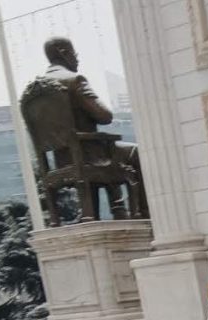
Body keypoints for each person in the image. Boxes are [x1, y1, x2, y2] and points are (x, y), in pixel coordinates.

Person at [40, 37, 146, 218]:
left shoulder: (35, 92)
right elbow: (104, 116)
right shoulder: (73, 80)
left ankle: (107, 211)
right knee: (136, 153)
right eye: (75, 54)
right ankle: (144, 214)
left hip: (61, 160)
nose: (77, 59)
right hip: (90, 156)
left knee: (103, 148)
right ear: (64, 53)